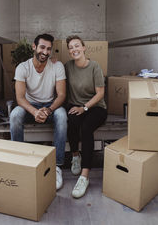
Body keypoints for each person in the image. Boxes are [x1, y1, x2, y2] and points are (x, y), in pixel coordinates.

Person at [10, 33, 67, 190]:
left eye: (49, 49)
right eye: (42, 47)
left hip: (50, 105)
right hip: (29, 106)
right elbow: (20, 98)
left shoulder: (57, 66)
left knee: (62, 115)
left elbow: (61, 95)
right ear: (34, 47)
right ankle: (19, 161)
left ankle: (57, 166)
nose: (45, 52)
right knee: (15, 115)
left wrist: (48, 110)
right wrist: (35, 112)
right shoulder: (22, 67)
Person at [65, 35, 107, 198]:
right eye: (71, 47)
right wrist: (52, 61)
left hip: (95, 107)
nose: (74, 49)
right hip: (75, 105)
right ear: (69, 52)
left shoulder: (94, 66)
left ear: (83, 48)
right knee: (71, 121)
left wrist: (84, 107)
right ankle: (75, 156)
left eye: (77, 46)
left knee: (86, 128)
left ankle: (84, 176)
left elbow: (101, 93)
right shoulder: (67, 66)